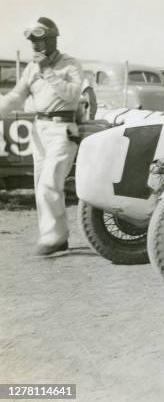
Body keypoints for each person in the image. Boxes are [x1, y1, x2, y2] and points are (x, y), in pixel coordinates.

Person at [0, 17, 82, 255]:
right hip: (39, 128)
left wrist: (48, 71)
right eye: (32, 41)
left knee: (49, 183)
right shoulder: (31, 68)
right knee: (41, 185)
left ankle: (54, 237)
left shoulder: (70, 64)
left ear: (53, 39)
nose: (35, 46)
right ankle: (56, 235)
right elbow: (17, 96)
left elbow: (72, 95)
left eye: (40, 39)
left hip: (63, 127)